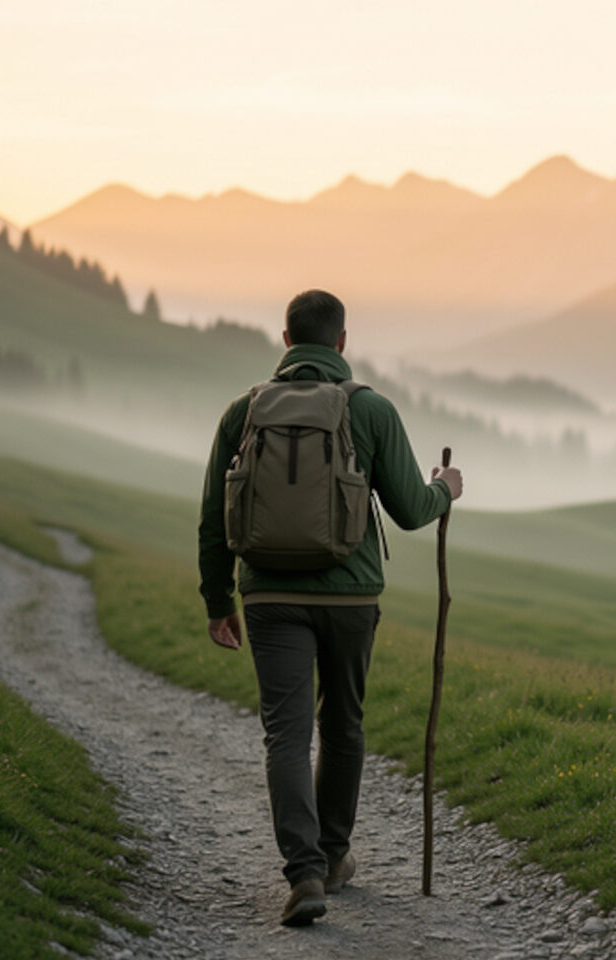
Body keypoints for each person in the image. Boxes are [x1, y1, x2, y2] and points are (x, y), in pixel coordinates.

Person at [197, 289, 460, 926]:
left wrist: (218, 600)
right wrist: (445, 490)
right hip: (351, 596)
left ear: (286, 341)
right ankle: (335, 855)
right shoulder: (369, 410)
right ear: (342, 343)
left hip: (268, 595)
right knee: (343, 726)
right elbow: (410, 511)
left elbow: (214, 517)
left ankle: (305, 873)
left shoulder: (244, 411)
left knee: (286, 734)